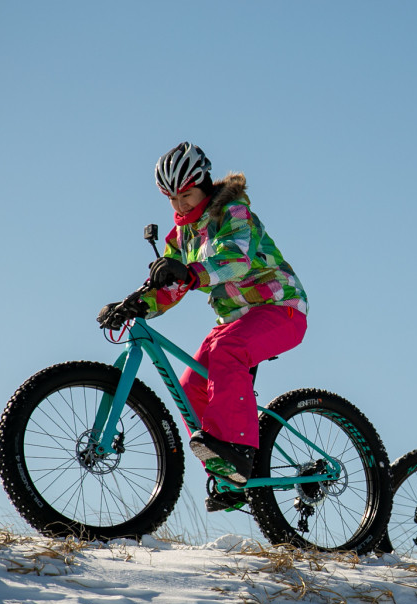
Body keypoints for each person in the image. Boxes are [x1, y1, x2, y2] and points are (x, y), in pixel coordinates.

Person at [98, 142, 308, 497]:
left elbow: (236, 260)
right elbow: (168, 284)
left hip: (280, 308)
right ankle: (227, 474)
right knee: (191, 385)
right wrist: (136, 304)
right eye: (172, 199)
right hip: (236, 320)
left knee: (228, 349)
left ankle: (239, 450)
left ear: (205, 184)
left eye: (187, 196)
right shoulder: (181, 236)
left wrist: (192, 272)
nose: (181, 206)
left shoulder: (234, 213)